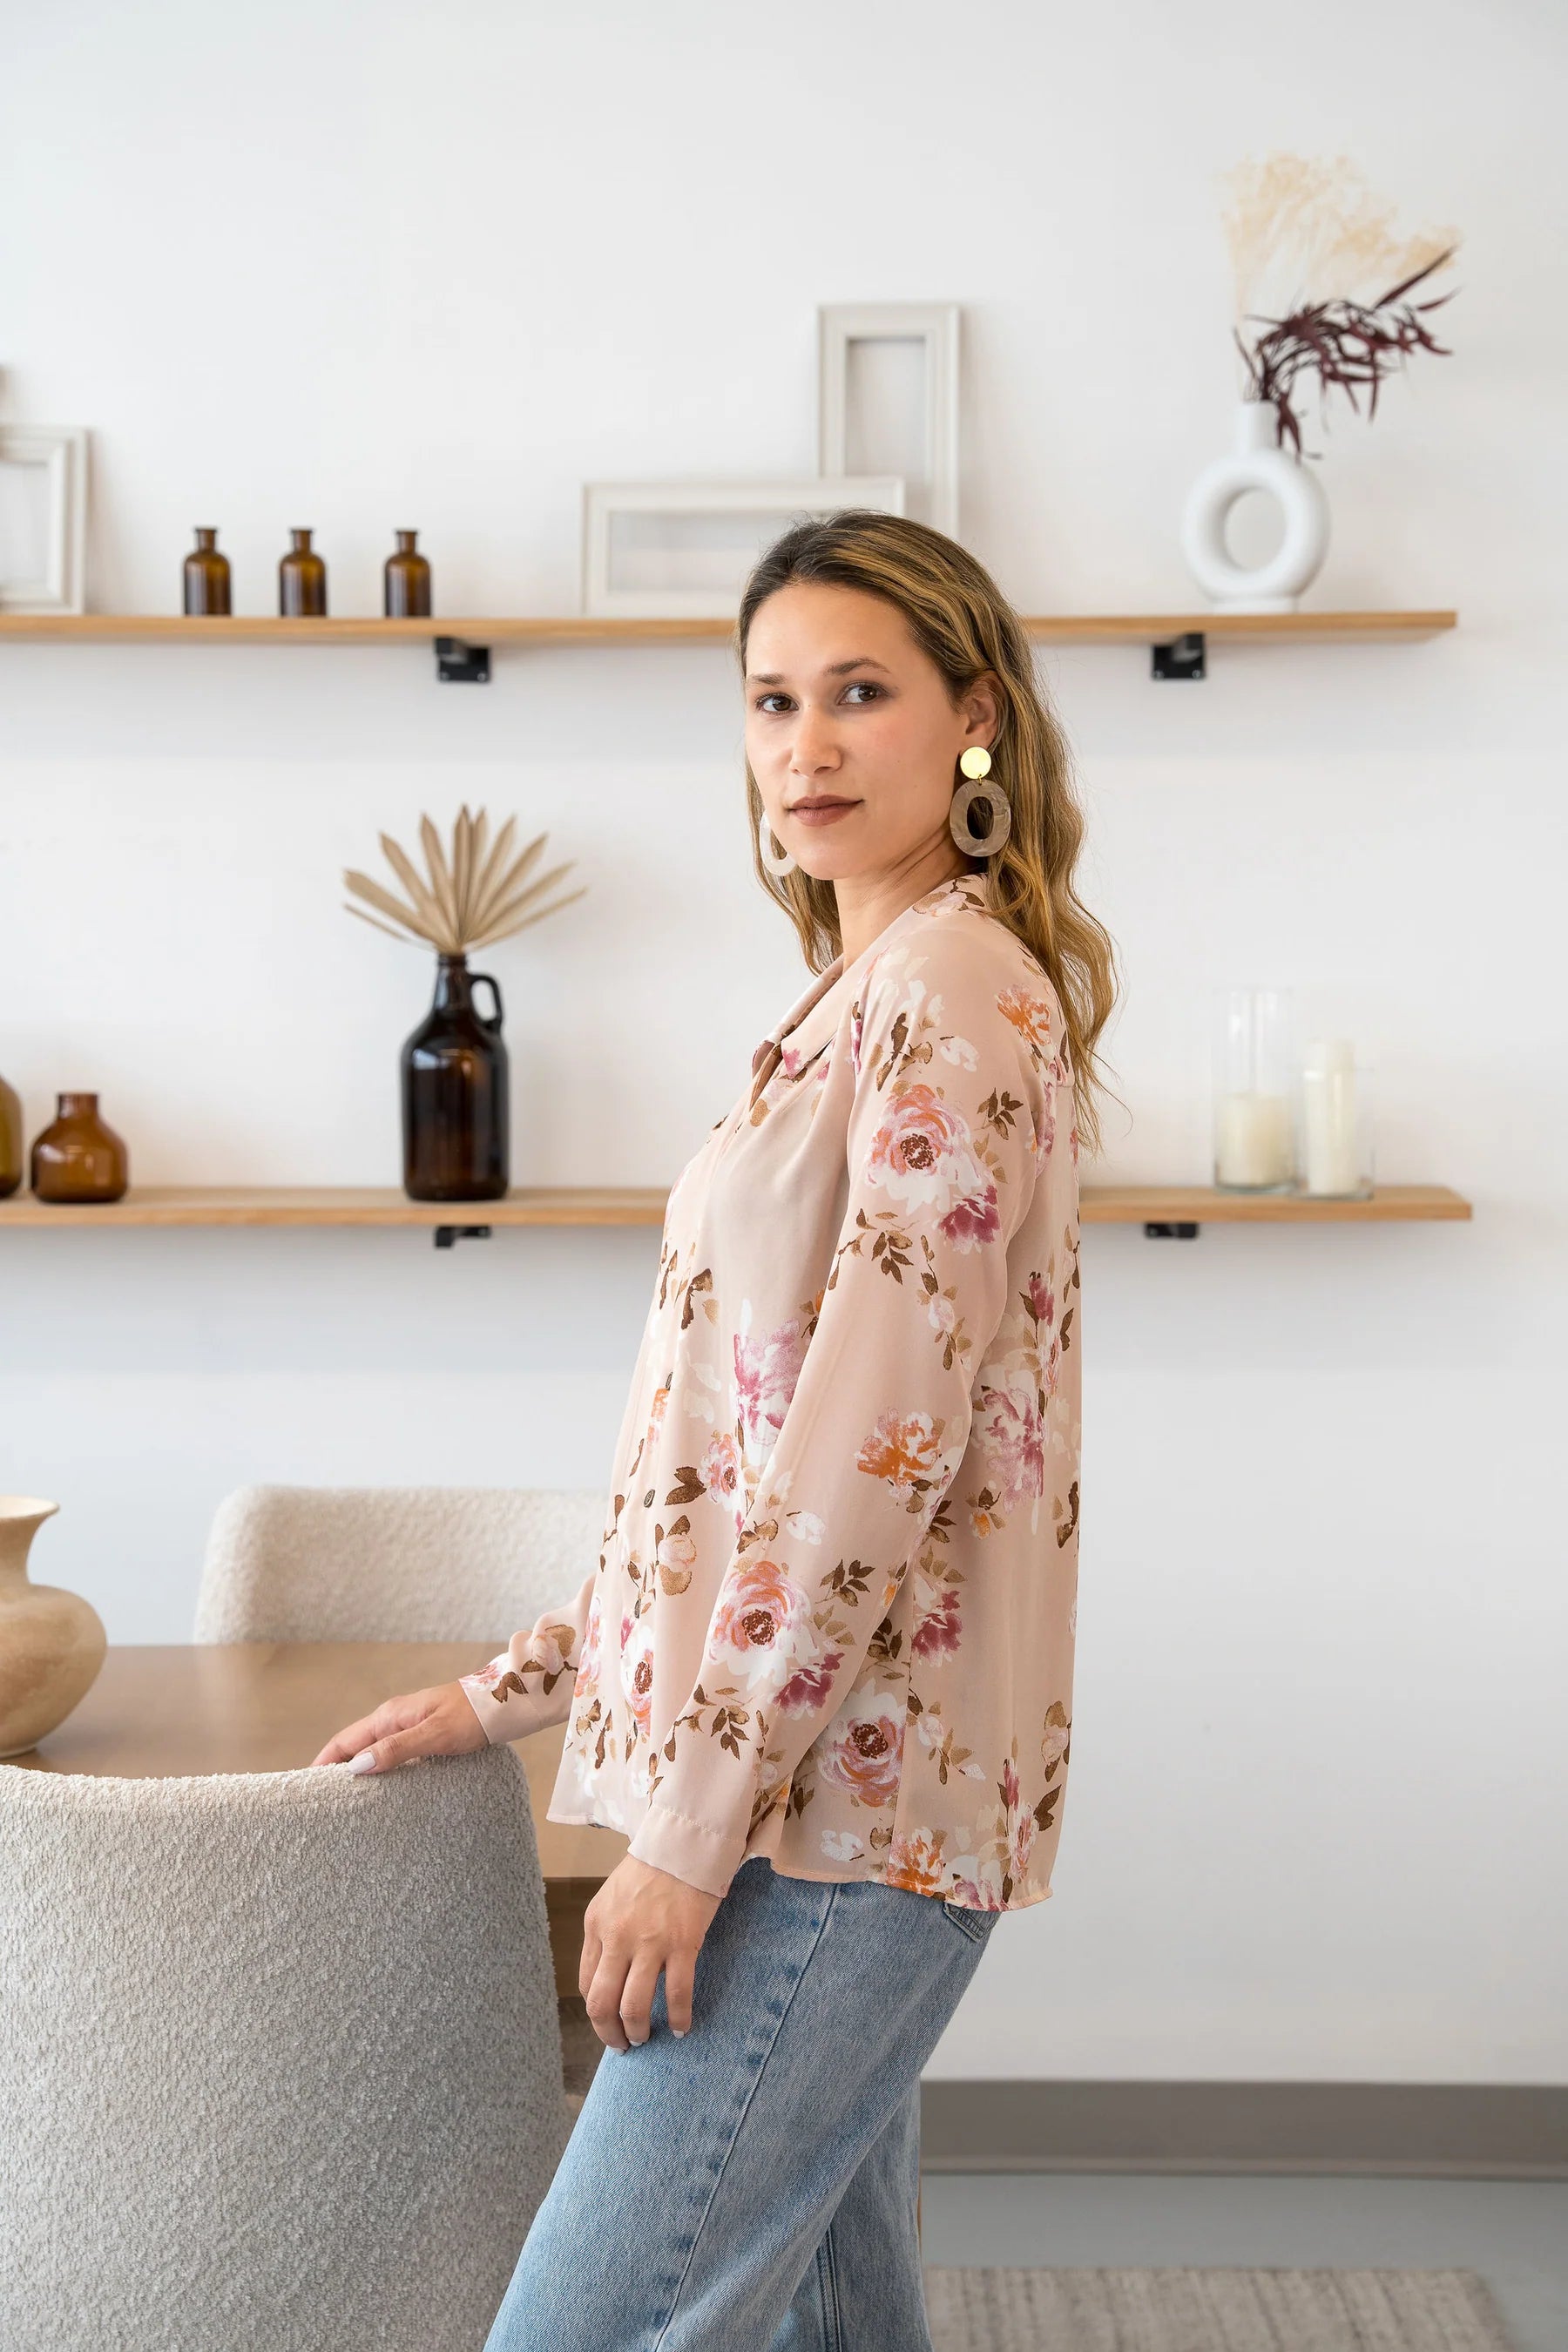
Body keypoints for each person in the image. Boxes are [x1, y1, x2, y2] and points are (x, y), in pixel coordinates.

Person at [309, 510, 1118, 2350]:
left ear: (973, 719)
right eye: (771, 701)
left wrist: (681, 1840)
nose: (805, 746)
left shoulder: (951, 996)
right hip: (799, 1783)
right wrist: (516, 1687)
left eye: (860, 693)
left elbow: (865, 1463)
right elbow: (737, 1469)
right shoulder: (865, 997)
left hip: (835, 1808)